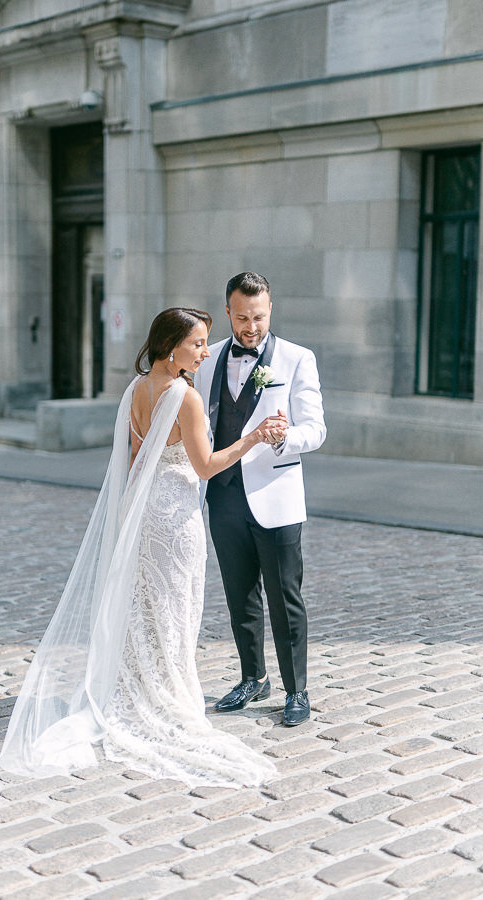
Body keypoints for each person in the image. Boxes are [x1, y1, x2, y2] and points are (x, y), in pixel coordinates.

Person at [0, 307, 283, 786]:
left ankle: (139, 688)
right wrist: (254, 436)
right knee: (175, 609)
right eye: (197, 344)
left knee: (146, 607)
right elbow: (206, 466)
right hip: (174, 517)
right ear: (172, 347)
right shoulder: (183, 396)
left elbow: (132, 459)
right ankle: (166, 694)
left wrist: (131, 517)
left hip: (142, 508)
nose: (205, 352)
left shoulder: (134, 389)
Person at [194, 273, 326, 726]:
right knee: (239, 595)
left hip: (276, 498)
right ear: (228, 311)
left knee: (285, 597)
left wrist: (284, 437)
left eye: (260, 317)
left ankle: (296, 691)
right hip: (223, 495)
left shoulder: (296, 358)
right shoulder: (207, 359)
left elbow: (317, 429)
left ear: (271, 309)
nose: (252, 327)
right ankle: (253, 678)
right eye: (243, 317)